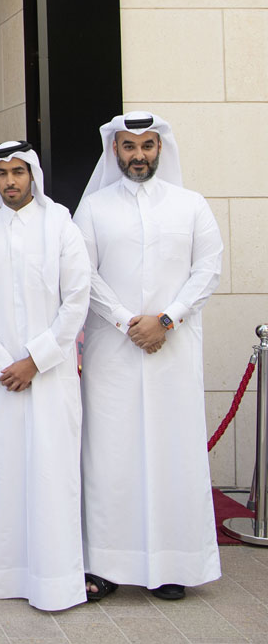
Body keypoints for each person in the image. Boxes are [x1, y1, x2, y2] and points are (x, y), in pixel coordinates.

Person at [73, 111, 223, 601]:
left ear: (161, 149)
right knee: (110, 457)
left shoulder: (192, 205)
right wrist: (125, 321)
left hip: (173, 352)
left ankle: (173, 566)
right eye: (129, 146)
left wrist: (166, 320)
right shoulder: (93, 208)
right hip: (111, 354)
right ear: (114, 151)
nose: (139, 155)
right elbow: (81, 274)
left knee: (171, 455)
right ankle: (107, 565)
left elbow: (208, 269)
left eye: (147, 145)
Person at [0, 141, 91, 610]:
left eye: (18, 172)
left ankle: (54, 581)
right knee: (0, 475)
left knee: (52, 475)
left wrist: (36, 359)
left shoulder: (62, 227)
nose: (10, 181)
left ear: (32, 175)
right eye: (2, 174)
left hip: (50, 378)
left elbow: (77, 299)